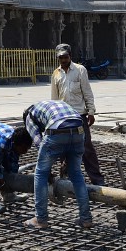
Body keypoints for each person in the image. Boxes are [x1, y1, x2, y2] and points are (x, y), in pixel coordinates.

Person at [22, 99, 92, 230]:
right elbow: (69, 129)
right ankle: (86, 218)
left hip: (57, 131)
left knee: (40, 174)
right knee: (76, 174)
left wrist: (48, 169)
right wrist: (64, 159)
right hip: (79, 131)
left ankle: (41, 219)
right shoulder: (52, 105)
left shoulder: (29, 117)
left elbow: (39, 142)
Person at [50, 44, 104, 185]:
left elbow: (87, 92)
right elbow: (54, 99)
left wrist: (91, 111)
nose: (63, 60)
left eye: (65, 57)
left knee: (86, 148)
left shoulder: (80, 70)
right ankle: (66, 179)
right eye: (60, 58)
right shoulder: (56, 74)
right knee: (64, 148)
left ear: (70, 56)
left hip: (79, 116)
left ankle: (97, 180)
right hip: (63, 118)